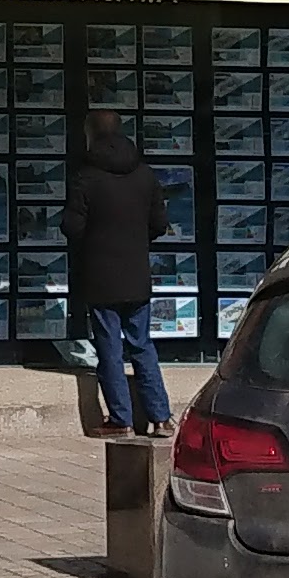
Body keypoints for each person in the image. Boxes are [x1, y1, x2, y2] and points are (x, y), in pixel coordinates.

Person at [63, 109, 169, 441]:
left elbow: (71, 226)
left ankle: (120, 419)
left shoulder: (86, 176)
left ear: (91, 135)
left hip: (101, 276)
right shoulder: (145, 175)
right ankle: (161, 418)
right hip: (137, 273)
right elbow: (160, 224)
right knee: (142, 345)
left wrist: (94, 241)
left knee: (109, 347)